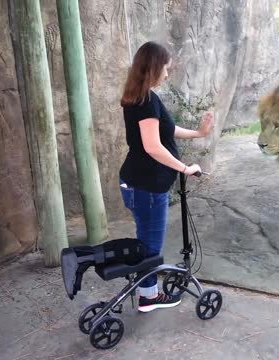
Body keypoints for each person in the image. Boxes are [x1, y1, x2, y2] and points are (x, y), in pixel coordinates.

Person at [119, 41, 214, 313]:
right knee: (150, 245)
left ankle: (145, 289)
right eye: (166, 68)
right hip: (146, 188)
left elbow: (165, 131)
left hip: (138, 183)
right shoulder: (146, 101)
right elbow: (152, 146)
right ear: (154, 67)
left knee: (145, 240)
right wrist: (184, 168)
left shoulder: (140, 96)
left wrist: (198, 134)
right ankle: (149, 297)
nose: (167, 73)